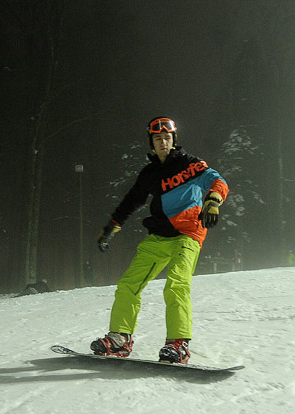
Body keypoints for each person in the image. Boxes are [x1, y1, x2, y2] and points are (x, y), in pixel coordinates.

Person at [92, 117, 229, 364]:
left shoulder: (191, 165)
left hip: (188, 233)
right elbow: (132, 200)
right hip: (158, 236)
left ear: (174, 140)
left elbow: (217, 181)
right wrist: (113, 225)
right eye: (158, 139)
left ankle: (178, 344)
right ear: (152, 144)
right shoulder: (150, 174)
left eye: (167, 138)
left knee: (176, 284)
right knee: (128, 284)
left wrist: (213, 200)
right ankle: (120, 339)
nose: (163, 142)